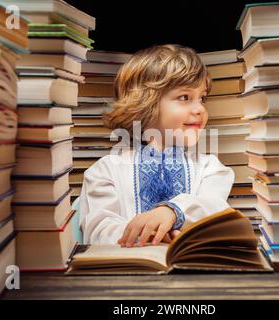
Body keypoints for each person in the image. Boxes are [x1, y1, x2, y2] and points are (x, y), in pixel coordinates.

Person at [79, 44, 234, 247]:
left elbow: (215, 208)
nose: (199, 109)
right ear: (146, 103)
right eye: (184, 97)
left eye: (202, 98)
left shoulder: (211, 168)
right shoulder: (105, 170)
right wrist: (144, 234)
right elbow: (98, 229)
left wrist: (172, 211)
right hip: (127, 273)